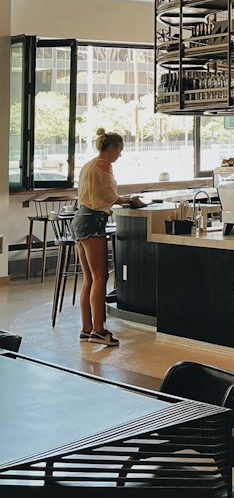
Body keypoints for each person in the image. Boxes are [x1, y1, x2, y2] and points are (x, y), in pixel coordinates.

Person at [73, 128, 144, 347]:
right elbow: (107, 196)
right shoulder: (104, 165)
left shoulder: (89, 164)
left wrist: (121, 199)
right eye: (119, 149)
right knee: (100, 277)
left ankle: (87, 328)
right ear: (110, 148)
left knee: (89, 279)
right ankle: (99, 330)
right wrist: (128, 200)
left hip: (81, 219)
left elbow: (99, 195)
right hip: (94, 221)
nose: (120, 154)